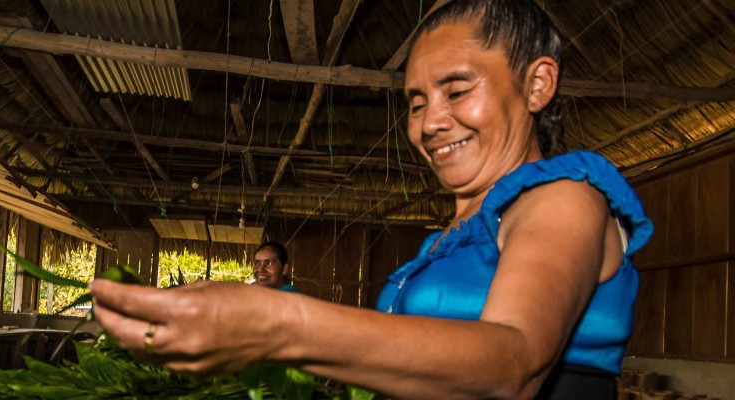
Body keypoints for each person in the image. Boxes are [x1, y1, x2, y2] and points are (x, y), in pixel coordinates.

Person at [89, 0, 652, 398]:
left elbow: (516, 363)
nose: (430, 122)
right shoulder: (455, 235)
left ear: (537, 84)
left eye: (457, 91)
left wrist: (281, 325)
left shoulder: (565, 197)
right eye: (415, 102)